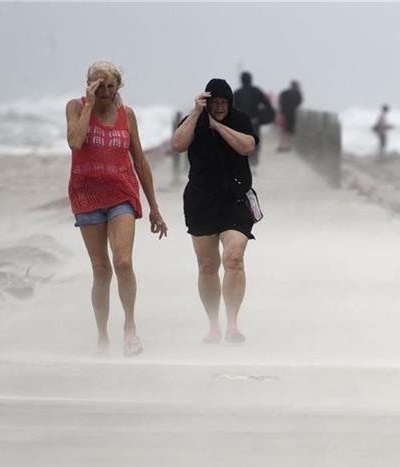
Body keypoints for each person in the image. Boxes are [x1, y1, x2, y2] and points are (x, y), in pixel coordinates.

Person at [65, 60, 168, 358]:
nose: (106, 91)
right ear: (89, 84)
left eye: (110, 85)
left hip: (122, 194)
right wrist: (89, 104)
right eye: (99, 85)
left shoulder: (127, 115)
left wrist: (154, 208)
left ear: (118, 86)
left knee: (123, 262)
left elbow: (140, 161)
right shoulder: (75, 107)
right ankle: (101, 337)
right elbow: (75, 141)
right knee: (101, 270)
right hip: (86, 196)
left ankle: (130, 328)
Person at [171, 78, 258, 344]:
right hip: (201, 201)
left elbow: (247, 146)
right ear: (207, 102)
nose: (220, 106)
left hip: (235, 201)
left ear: (230, 103)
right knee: (208, 265)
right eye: (215, 102)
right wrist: (197, 113)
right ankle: (213, 325)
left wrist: (218, 126)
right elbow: (178, 144)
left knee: (234, 259)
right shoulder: (193, 119)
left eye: (224, 102)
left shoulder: (239, 120)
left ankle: (232, 323)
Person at [233, 71, 275, 168]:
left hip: (242, 122)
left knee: (242, 142)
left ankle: (246, 163)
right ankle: (254, 164)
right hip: (255, 122)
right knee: (255, 142)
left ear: (241, 80)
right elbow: (268, 106)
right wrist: (261, 117)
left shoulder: (237, 93)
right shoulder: (257, 91)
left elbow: (233, 108)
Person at [277, 80, 303, 152]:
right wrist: (293, 106)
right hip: (292, 114)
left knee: (283, 130)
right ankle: (288, 146)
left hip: (283, 113)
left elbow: (280, 102)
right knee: (290, 131)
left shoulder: (284, 92)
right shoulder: (297, 93)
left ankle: (282, 146)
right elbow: (300, 101)